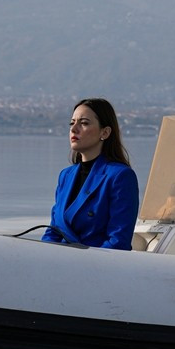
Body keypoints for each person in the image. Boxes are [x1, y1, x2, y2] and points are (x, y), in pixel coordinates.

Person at [42, 98, 140, 250]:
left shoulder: (120, 177)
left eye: (84, 123)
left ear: (105, 132)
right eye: (72, 123)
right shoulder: (65, 176)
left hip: (96, 266)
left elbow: (118, 241)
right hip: (59, 263)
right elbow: (53, 231)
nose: (74, 129)